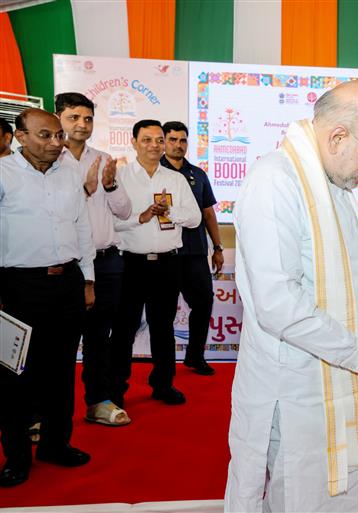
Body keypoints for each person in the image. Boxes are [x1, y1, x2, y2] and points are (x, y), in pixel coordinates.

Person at [225, 81, 358, 512]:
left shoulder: (331, 183)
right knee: (303, 497)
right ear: (338, 136)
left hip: (339, 374)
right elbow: (278, 302)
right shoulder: (275, 181)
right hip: (300, 391)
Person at [0, 108, 95, 487]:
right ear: (20, 137)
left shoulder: (70, 172)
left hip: (67, 283)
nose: (57, 143)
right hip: (18, 286)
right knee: (14, 375)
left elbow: (82, 226)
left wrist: (87, 280)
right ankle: (17, 456)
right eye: (46, 135)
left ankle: (56, 444)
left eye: (58, 135)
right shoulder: (3, 173)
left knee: (60, 371)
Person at [109, 119, 201, 407]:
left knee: (163, 327)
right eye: (147, 140)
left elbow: (195, 218)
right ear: (134, 142)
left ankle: (163, 384)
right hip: (130, 265)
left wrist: (169, 211)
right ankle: (115, 390)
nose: (154, 145)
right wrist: (142, 217)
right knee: (124, 328)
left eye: (159, 140)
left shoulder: (175, 179)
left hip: (167, 265)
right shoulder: (119, 177)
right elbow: (109, 223)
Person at [55, 92, 133, 427]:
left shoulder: (103, 159)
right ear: (57, 118)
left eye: (87, 118)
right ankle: (49, 413)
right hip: (66, 266)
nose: (82, 124)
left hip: (107, 262)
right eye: (74, 117)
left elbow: (125, 211)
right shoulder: (47, 160)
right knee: (59, 341)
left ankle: (98, 401)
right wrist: (84, 191)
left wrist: (111, 185)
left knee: (100, 338)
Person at [161, 121, 222, 376]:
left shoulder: (198, 174)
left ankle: (195, 357)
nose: (178, 145)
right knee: (163, 311)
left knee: (204, 303)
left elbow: (208, 213)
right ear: (163, 141)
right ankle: (163, 366)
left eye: (182, 140)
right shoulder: (153, 172)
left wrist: (217, 247)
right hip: (164, 255)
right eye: (172, 140)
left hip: (195, 252)